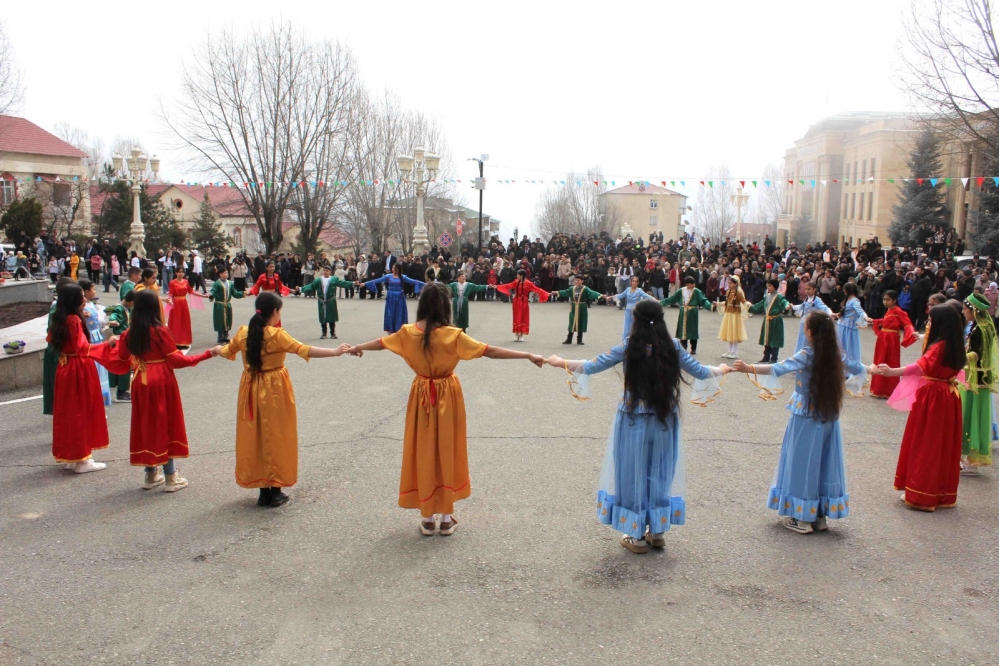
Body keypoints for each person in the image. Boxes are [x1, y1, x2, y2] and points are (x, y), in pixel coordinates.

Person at [346, 283, 544, 536]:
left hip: (421, 395)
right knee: (448, 449)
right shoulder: (453, 335)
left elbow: (381, 343)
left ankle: (428, 517)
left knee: (423, 449)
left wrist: (358, 347)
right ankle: (447, 518)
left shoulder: (407, 333)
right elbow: (490, 351)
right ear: (445, 306)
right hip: (447, 395)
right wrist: (527, 355)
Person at [544, 300, 729, 553]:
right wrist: (722, 368)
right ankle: (658, 531)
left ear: (636, 320)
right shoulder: (673, 345)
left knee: (633, 472)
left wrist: (559, 361)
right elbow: (702, 372)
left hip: (633, 417)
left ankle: (636, 534)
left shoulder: (630, 346)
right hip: (664, 418)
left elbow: (592, 365)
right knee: (660, 470)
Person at [734, 313, 875, 534]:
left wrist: (748, 368)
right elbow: (858, 368)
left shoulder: (807, 354)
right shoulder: (836, 354)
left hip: (805, 413)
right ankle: (819, 516)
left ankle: (802, 518)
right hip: (828, 414)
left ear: (811, 332)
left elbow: (778, 367)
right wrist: (872, 368)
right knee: (824, 461)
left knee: (802, 462)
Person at [220, 292, 352, 507]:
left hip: (251, 389)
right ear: (274, 312)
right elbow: (304, 349)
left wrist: (214, 350)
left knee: (256, 436)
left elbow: (226, 351)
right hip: (274, 390)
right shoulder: (276, 335)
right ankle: (276, 490)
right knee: (277, 435)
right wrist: (335, 351)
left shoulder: (244, 332)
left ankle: (263, 491)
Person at [111, 290, 218, 492]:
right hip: (160, 378)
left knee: (146, 424)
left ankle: (150, 474)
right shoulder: (160, 330)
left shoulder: (128, 333)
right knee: (165, 424)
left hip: (140, 379)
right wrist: (207, 354)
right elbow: (176, 360)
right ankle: (170, 476)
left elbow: (121, 358)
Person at [882, 304, 967, 511]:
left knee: (926, 444)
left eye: (931, 321)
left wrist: (892, 371)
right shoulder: (956, 344)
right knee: (944, 445)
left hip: (933, 396)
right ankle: (941, 493)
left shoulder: (939, 347)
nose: (928, 324)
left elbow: (919, 368)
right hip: (948, 395)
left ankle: (921, 492)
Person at [46, 282, 119, 472]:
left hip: (65, 366)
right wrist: (107, 344)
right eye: (82, 297)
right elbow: (83, 348)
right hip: (79, 367)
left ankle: (71, 456)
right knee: (82, 411)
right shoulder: (74, 320)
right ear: (74, 300)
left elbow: (51, 340)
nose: (85, 299)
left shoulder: (59, 317)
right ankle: (83, 460)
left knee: (68, 412)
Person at [959, 293, 997, 474]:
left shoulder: (980, 329)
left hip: (976, 378)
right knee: (969, 414)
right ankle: (968, 457)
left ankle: (972, 460)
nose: (963, 312)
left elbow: (976, 354)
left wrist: (958, 357)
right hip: (974, 376)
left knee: (973, 414)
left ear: (973, 311)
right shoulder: (978, 326)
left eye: (965, 309)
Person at [869, 290, 918, 398]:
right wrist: (875, 321)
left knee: (890, 361)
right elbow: (887, 321)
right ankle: (879, 389)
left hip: (891, 339)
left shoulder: (898, 311)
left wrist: (910, 334)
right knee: (880, 360)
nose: (885, 302)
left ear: (894, 300)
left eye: (888, 300)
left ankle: (888, 390)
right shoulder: (889, 310)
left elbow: (907, 324)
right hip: (883, 338)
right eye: (884, 299)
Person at [41, 277, 78, 416]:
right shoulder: (57, 311)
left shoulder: (69, 311)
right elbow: (53, 333)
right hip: (59, 353)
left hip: (63, 352)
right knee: (60, 386)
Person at [363, 263, 426, 334]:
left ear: (398, 269)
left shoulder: (403, 277)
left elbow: (414, 282)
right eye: (392, 268)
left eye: (394, 268)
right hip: (391, 297)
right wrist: (365, 283)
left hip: (400, 297)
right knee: (390, 313)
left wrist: (426, 284)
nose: (393, 269)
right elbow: (377, 280)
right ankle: (390, 329)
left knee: (399, 313)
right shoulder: (388, 277)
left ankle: (399, 330)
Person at [661, 275, 714, 355]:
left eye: (694, 283)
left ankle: (693, 348)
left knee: (693, 329)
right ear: (687, 284)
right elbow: (672, 299)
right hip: (683, 311)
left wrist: (710, 306)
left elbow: (703, 300)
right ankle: (683, 347)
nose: (693, 285)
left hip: (692, 312)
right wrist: (661, 302)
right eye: (691, 284)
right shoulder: (681, 291)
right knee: (683, 330)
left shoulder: (697, 291)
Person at [79, 279, 112, 408]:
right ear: (86, 292)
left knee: (100, 369)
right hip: (90, 341)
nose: (95, 291)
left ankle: (100, 403)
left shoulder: (92, 305)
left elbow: (97, 322)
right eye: (93, 289)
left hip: (97, 338)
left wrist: (107, 323)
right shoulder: (80, 308)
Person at [300, 265, 355, 339]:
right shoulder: (318, 280)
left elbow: (342, 283)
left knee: (332, 316)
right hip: (322, 301)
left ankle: (333, 333)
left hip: (331, 301)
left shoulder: (334, 279)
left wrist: (352, 283)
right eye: (324, 270)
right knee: (323, 317)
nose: (325, 272)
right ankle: (324, 333)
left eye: (327, 271)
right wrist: (301, 289)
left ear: (330, 272)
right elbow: (311, 286)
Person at [495, 269, 550, 342]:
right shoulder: (516, 282)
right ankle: (516, 333)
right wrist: (496, 286)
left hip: (524, 301)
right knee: (516, 317)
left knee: (522, 317)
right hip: (516, 301)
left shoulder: (528, 283)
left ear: (522, 276)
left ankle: (521, 334)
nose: (517, 276)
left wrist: (546, 293)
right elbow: (508, 286)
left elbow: (537, 289)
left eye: (518, 275)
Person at [165, 266, 209, 350]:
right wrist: (169, 301)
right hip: (176, 304)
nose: (181, 273)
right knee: (176, 322)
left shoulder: (185, 282)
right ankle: (175, 342)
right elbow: (170, 294)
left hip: (184, 303)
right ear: (176, 273)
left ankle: (183, 342)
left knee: (184, 322)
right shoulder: (172, 283)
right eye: (179, 272)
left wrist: (202, 295)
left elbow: (191, 291)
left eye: (182, 272)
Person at [747, 278, 791, 363]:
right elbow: (760, 305)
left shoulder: (779, 297)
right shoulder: (767, 297)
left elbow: (784, 302)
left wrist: (787, 306)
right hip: (767, 320)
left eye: (770, 286)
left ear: (775, 287)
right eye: (767, 286)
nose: (768, 287)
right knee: (766, 338)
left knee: (775, 339)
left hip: (775, 320)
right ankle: (766, 357)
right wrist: (750, 307)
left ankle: (774, 358)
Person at [556, 274, 605, 345]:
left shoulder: (585, 289)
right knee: (572, 322)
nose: (577, 281)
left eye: (578, 280)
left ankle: (579, 340)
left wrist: (600, 295)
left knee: (581, 322)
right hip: (573, 307)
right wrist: (557, 292)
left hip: (582, 307)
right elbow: (565, 292)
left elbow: (592, 293)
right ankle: (569, 339)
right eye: (576, 280)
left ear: (582, 281)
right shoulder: (572, 288)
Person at [106, 290, 135, 402]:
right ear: (131, 301)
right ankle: (121, 392)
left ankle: (122, 391)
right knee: (124, 365)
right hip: (120, 340)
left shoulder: (126, 308)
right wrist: (113, 320)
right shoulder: (119, 309)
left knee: (124, 365)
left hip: (123, 339)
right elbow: (114, 315)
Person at [834, 282, 870, 367]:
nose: (843, 290)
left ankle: (849, 366)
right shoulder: (848, 299)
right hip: (843, 325)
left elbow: (860, 311)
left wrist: (866, 317)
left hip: (849, 327)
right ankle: (841, 365)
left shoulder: (854, 301)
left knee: (848, 346)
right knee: (842, 345)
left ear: (847, 290)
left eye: (844, 289)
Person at [791, 282, 832, 353]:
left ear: (814, 289)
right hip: (804, 322)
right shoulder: (807, 299)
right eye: (806, 289)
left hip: (812, 322)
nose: (807, 291)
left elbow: (824, 308)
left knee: (809, 339)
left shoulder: (817, 300)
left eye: (809, 289)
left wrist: (831, 313)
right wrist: (792, 306)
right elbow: (801, 306)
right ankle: (801, 353)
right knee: (802, 338)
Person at [209, 265, 245, 344]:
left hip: (227, 304)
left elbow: (235, 293)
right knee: (220, 321)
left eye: (227, 273)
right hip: (220, 305)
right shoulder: (217, 284)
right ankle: (220, 338)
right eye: (225, 273)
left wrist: (243, 293)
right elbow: (213, 291)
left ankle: (225, 337)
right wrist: (211, 295)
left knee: (227, 320)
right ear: (220, 274)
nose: (227, 274)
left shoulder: (230, 283)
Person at [615, 275, 656, 343]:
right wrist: (612, 297)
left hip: (636, 310)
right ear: (631, 282)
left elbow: (646, 296)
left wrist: (654, 300)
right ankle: (625, 340)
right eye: (633, 281)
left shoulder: (639, 290)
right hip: (628, 310)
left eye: (636, 281)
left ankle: (634, 340)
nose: (634, 283)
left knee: (635, 325)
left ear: (638, 283)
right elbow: (621, 295)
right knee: (626, 325)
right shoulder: (628, 289)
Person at [716, 274, 749, 359]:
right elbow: (727, 303)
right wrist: (718, 303)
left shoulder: (738, 293)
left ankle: (735, 352)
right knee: (730, 332)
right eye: (728, 283)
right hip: (729, 314)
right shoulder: (728, 292)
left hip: (735, 315)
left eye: (730, 283)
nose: (729, 285)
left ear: (736, 284)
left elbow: (744, 301)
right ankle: (730, 351)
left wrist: (748, 304)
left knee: (735, 333)